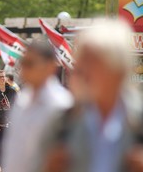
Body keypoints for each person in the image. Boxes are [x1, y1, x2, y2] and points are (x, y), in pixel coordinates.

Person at [46, 20, 143, 172]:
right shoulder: (63, 122)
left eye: (91, 61)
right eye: (81, 60)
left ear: (117, 68)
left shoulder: (138, 122)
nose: (80, 69)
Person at [2, 40, 73, 172]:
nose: (24, 69)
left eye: (30, 64)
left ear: (50, 66)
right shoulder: (21, 101)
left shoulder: (63, 106)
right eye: (23, 63)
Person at [0, 70, 17, 167]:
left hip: (10, 124)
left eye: (3, 76)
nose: (2, 78)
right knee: (0, 147)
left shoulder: (12, 91)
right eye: (0, 76)